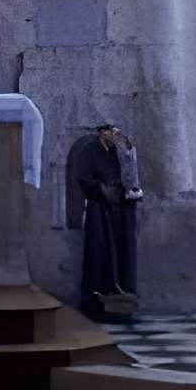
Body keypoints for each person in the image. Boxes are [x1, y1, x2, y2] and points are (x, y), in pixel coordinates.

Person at [75, 120, 138, 313]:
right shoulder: (89, 151)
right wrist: (103, 191)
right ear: (103, 132)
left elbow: (123, 174)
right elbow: (85, 178)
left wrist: (125, 192)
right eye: (113, 131)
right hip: (99, 209)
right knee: (100, 248)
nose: (116, 134)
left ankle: (117, 286)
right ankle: (96, 291)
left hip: (116, 208)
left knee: (117, 248)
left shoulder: (114, 152)